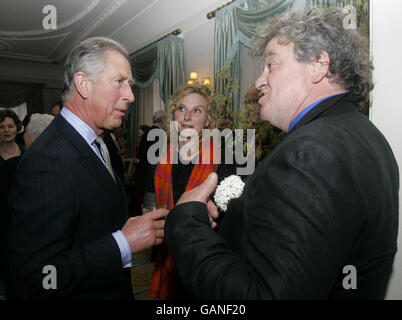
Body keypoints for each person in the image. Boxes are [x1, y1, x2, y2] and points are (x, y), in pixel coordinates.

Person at [164, 8, 399, 299]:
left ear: (318, 65)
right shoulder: (366, 135)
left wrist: (186, 221)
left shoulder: (311, 151)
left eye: (270, 65)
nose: (259, 81)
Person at [8, 37, 168, 300]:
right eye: (120, 82)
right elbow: (35, 277)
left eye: (129, 84)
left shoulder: (98, 141)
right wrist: (123, 243)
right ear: (84, 84)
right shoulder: (49, 159)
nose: (130, 96)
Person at [148, 83, 242, 300]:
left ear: (208, 120)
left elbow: (231, 213)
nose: (187, 117)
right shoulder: (161, 155)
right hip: (168, 250)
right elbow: (150, 202)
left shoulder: (224, 156)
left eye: (197, 111)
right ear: (173, 114)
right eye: (181, 109)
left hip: (206, 255)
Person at [0, 110, 24, 299]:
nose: (6, 130)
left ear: (17, 128)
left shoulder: (27, 153)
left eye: (10, 126)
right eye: (1, 127)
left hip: (23, 218)